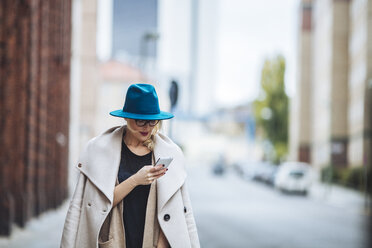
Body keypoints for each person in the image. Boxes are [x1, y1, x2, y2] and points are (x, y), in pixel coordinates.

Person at [60, 84, 200, 248]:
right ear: (126, 117)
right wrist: (136, 180)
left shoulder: (170, 153)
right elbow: (90, 205)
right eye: (141, 121)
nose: (147, 127)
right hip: (114, 241)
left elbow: (182, 211)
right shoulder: (99, 150)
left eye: (152, 121)